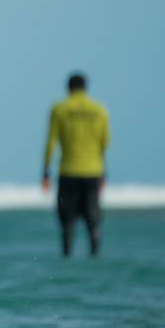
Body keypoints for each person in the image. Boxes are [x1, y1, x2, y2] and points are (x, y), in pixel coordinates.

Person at [42, 73, 110, 257]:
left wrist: (46, 173)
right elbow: (105, 143)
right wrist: (104, 173)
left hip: (68, 173)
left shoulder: (60, 109)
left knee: (67, 222)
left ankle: (67, 256)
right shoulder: (99, 110)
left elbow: (51, 143)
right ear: (85, 88)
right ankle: (95, 256)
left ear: (68, 88)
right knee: (93, 220)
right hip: (93, 172)